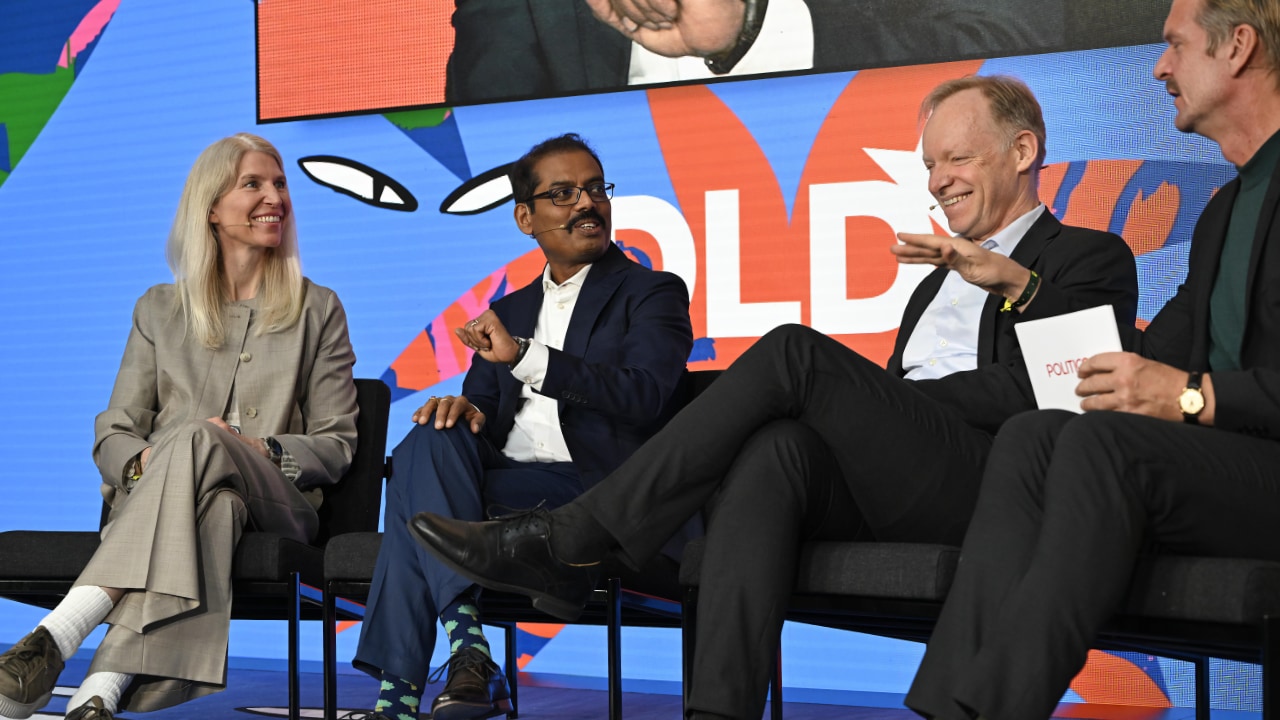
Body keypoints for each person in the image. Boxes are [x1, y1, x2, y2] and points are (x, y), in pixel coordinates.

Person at [408, 76, 1140, 719]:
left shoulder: (1086, 258)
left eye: (958, 158)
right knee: (776, 449)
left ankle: (573, 539)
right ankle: (719, 709)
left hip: (995, 482)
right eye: (928, 166)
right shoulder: (932, 283)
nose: (938, 180)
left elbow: (1058, 392)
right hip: (898, 483)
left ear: (1021, 151)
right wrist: (880, 411)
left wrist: (900, 391)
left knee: (794, 352)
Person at [904, 1, 1280, 718]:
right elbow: (1126, 362)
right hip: (1223, 470)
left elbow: (1176, 387)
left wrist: (1193, 398)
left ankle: (997, 707)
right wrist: (1019, 283)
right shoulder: (1225, 212)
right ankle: (948, 707)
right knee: (1035, 434)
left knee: (1104, 443)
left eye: (1174, 45)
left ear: (1238, 47)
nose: (1159, 66)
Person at [0, 133, 358, 720]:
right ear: (211, 208)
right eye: (253, 184)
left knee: (198, 436)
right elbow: (115, 429)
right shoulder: (157, 309)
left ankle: (60, 632)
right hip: (188, 503)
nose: (275, 197)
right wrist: (145, 465)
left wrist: (254, 447)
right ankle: (99, 693)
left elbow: (336, 444)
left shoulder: (318, 308)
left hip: (278, 501)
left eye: (280, 184)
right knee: (212, 506)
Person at [348, 133, 693, 720]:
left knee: (414, 499)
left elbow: (646, 396)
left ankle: (404, 694)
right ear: (525, 219)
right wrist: (468, 411)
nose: (586, 203)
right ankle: (469, 650)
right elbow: (482, 407)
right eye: (563, 194)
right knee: (431, 436)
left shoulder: (651, 292)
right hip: (506, 482)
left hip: (595, 491)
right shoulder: (506, 310)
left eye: (594, 189)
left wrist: (527, 358)